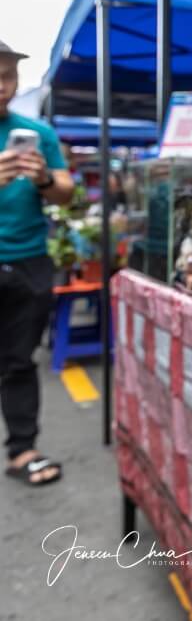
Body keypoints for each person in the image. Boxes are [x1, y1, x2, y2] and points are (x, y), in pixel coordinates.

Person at [0, 40, 74, 485]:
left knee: (20, 360)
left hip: (29, 260)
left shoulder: (38, 132)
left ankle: (23, 448)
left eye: (8, 76)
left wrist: (44, 177)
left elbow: (67, 191)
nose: (2, 86)